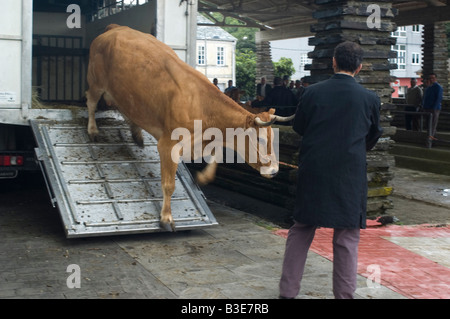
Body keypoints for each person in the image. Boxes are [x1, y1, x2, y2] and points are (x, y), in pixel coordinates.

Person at [279, 41, 383, 299]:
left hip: (314, 168)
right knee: (347, 236)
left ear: (333, 62)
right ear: (359, 68)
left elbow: (299, 127)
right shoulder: (370, 99)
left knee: (301, 228)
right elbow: (373, 135)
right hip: (349, 173)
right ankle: (344, 295)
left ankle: (288, 292)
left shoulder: (312, 93)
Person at [422, 73, 443, 139]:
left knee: (432, 124)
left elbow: (438, 99)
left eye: (432, 78)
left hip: (434, 109)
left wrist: (434, 108)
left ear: (435, 79)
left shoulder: (438, 87)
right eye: (430, 78)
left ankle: (430, 140)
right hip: (427, 108)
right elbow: (425, 98)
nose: (431, 80)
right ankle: (433, 138)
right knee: (428, 124)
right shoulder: (428, 88)